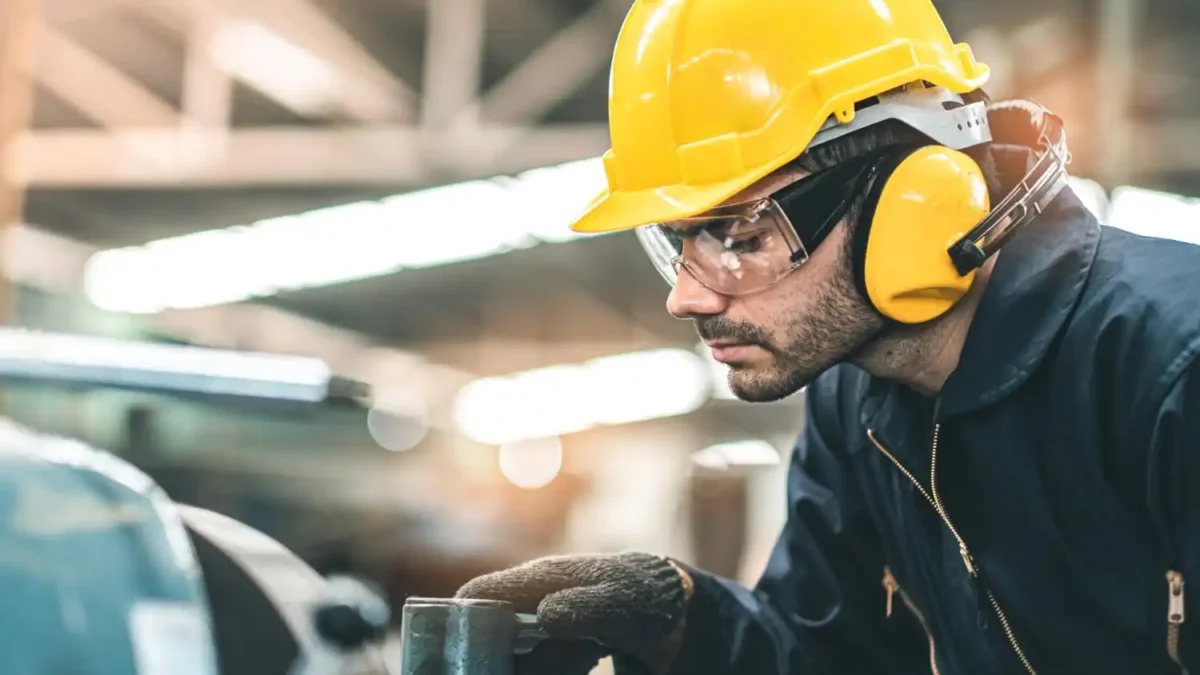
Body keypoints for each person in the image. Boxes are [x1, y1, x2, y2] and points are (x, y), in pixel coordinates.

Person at [455, 1, 1200, 673]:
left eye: (739, 234)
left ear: (918, 198)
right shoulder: (860, 404)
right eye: (676, 243)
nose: (685, 296)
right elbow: (831, 656)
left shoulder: (1172, 365)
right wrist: (678, 619)